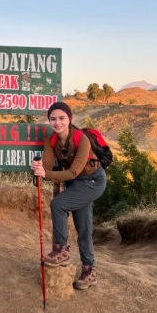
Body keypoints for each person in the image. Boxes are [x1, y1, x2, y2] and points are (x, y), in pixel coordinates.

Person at [31, 102, 106, 290]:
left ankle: (61, 250)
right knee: (83, 225)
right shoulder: (51, 140)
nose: (57, 123)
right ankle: (89, 271)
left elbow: (72, 172)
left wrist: (45, 175)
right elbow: (47, 167)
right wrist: (40, 169)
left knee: (58, 204)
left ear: (69, 118)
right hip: (75, 183)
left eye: (61, 118)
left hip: (93, 182)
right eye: (53, 119)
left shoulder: (82, 139)